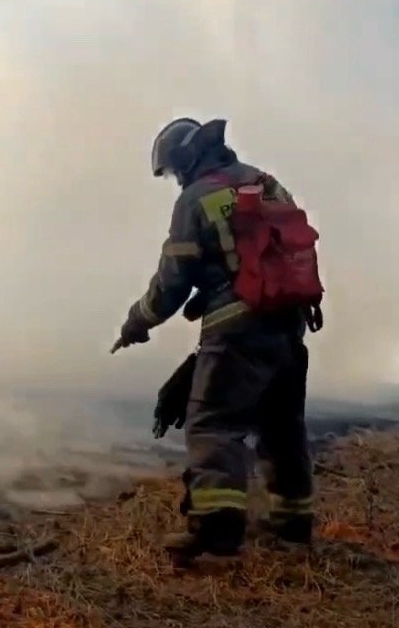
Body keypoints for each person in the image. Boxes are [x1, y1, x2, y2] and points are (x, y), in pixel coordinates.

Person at [110, 117, 321, 565]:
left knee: (212, 424)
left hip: (236, 330)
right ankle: (294, 523)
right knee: (282, 425)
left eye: (172, 170)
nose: (175, 179)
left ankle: (217, 529)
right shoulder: (267, 183)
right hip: (289, 326)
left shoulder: (196, 199)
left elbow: (172, 283)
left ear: (186, 159)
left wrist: (136, 322)